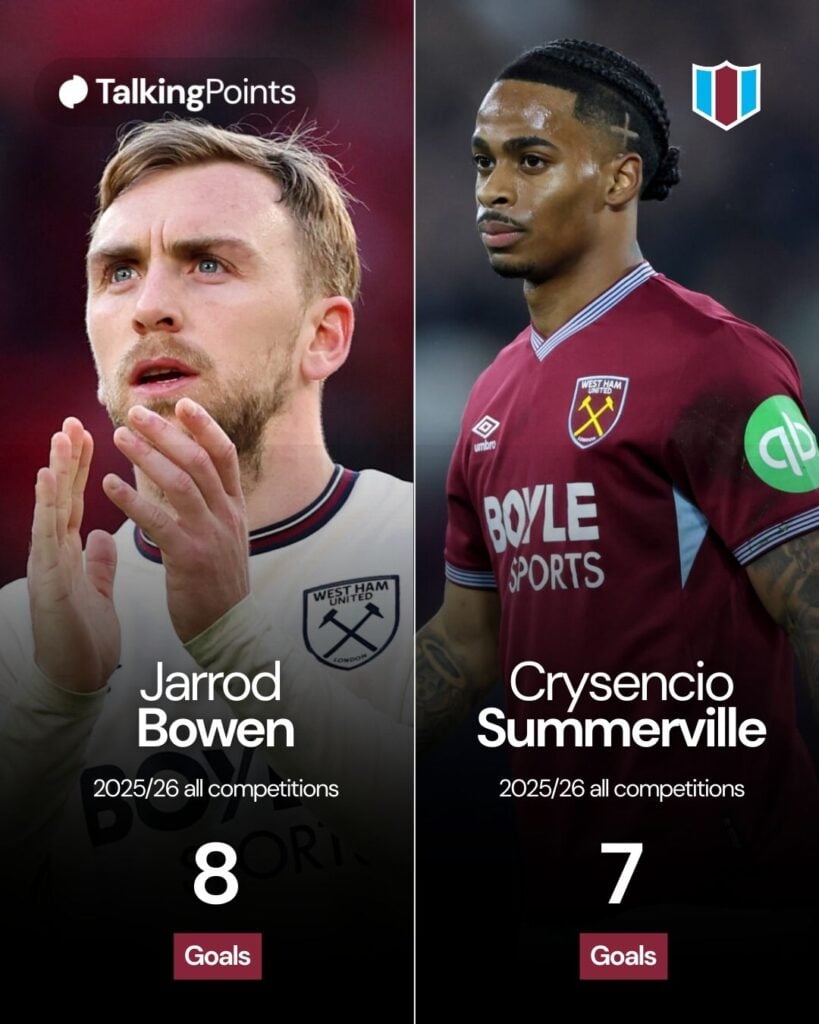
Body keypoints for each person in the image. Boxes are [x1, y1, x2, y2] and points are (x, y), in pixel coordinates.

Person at [417, 38, 819, 971]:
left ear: (617, 178)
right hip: (562, 897)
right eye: (482, 163)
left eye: (529, 159)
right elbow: (467, 645)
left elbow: (808, 600)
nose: (492, 191)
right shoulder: (491, 400)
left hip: (727, 893)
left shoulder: (717, 360)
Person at [0, 119, 412, 985]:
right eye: (118, 272)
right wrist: (54, 703)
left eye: (207, 262)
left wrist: (233, 641)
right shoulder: (28, 635)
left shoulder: (450, 562)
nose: (148, 303)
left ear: (322, 337)